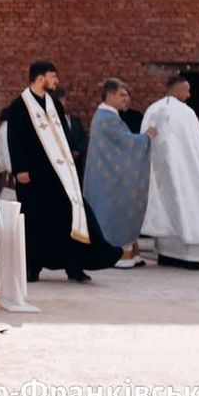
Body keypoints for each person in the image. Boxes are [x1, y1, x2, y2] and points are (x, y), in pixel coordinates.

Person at [2, 61, 121, 282]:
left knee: (68, 217)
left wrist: (71, 163)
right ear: (40, 78)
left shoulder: (54, 104)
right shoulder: (19, 106)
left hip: (58, 176)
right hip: (33, 176)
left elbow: (64, 135)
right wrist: (20, 169)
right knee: (34, 222)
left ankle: (74, 266)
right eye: (52, 76)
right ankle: (32, 268)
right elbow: (15, 139)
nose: (56, 80)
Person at [140, 76, 199, 270]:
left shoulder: (152, 110)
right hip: (187, 173)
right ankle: (187, 256)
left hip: (160, 173)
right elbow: (198, 146)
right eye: (187, 91)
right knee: (189, 210)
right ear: (178, 90)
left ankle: (166, 253)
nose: (189, 95)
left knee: (166, 210)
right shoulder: (185, 112)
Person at [81, 77, 154, 269]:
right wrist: (147, 137)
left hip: (106, 177)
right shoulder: (107, 119)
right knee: (113, 214)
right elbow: (127, 143)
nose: (126, 99)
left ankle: (128, 252)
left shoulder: (107, 116)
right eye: (122, 95)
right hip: (110, 181)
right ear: (110, 95)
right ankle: (119, 255)